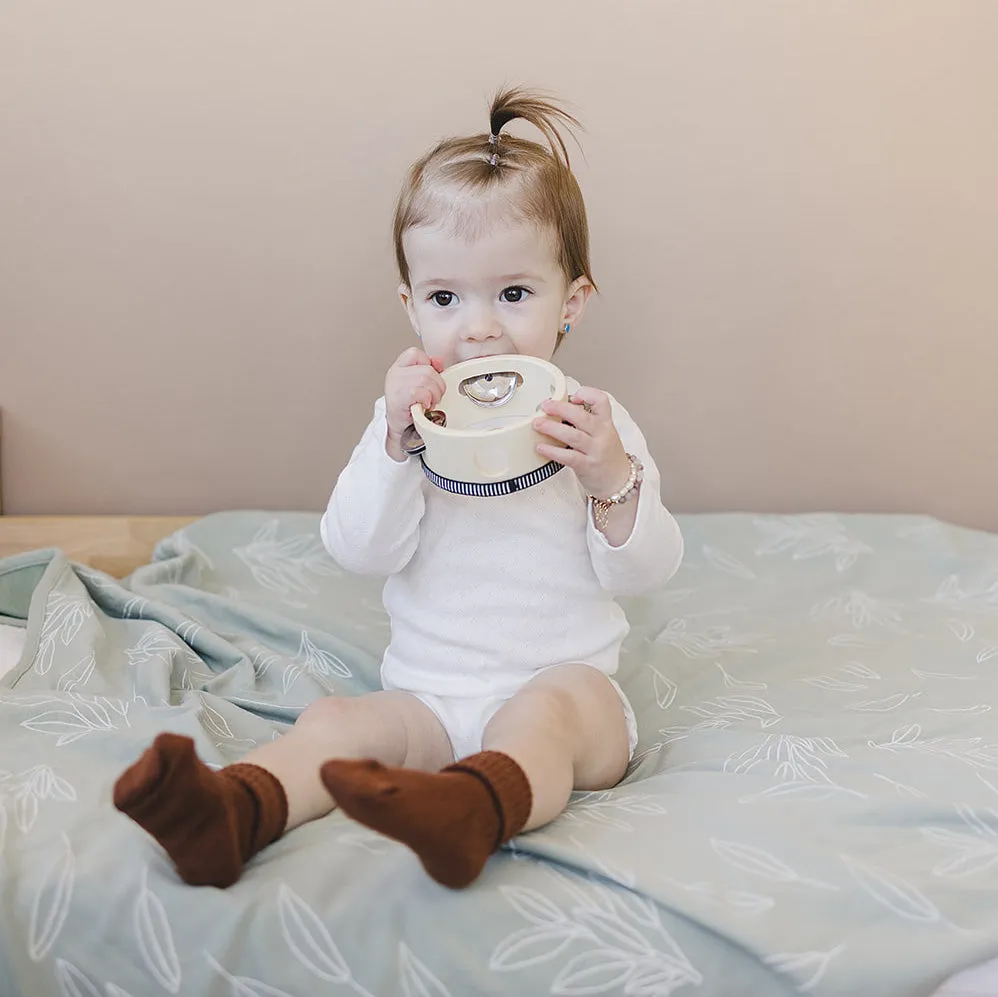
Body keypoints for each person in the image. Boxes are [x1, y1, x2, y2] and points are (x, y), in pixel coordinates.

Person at [113, 87, 684, 890]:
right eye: (446, 298)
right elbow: (356, 549)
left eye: (514, 294)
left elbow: (647, 570)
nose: (478, 327)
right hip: (430, 701)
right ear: (412, 308)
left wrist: (610, 477)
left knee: (552, 710)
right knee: (337, 720)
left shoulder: (594, 422)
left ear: (572, 304)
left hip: (567, 697)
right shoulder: (413, 422)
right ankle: (234, 807)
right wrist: (393, 445)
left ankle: (474, 808)